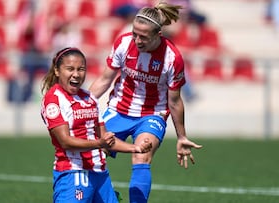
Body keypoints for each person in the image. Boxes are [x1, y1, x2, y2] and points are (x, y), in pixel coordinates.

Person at [88, 2, 203, 202]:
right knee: (93, 151)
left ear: (158, 34)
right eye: (135, 33)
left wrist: (181, 136)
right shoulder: (123, 43)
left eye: (144, 36)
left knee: (141, 156)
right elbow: (105, 79)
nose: (137, 40)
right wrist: (82, 105)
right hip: (118, 109)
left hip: (152, 114)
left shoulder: (172, 58)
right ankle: (106, 198)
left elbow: (174, 101)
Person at [41, 47, 153, 202]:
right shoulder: (53, 100)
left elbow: (105, 138)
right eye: (70, 69)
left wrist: (135, 148)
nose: (76, 74)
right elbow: (65, 141)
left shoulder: (89, 98)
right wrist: (98, 143)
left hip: (100, 174)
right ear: (57, 71)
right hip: (74, 173)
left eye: (81, 69)